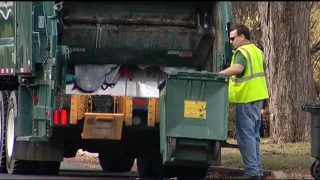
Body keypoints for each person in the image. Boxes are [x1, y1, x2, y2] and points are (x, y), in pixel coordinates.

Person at [219, 24, 269, 180]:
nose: (232, 42)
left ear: (242, 37)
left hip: (247, 99)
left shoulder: (242, 52)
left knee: (245, 137)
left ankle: (253, 173)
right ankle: (257, 170)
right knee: (253, 136)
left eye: (233, 38)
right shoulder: (258, 51)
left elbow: (238, 68)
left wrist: (218, 74)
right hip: (258, 98)